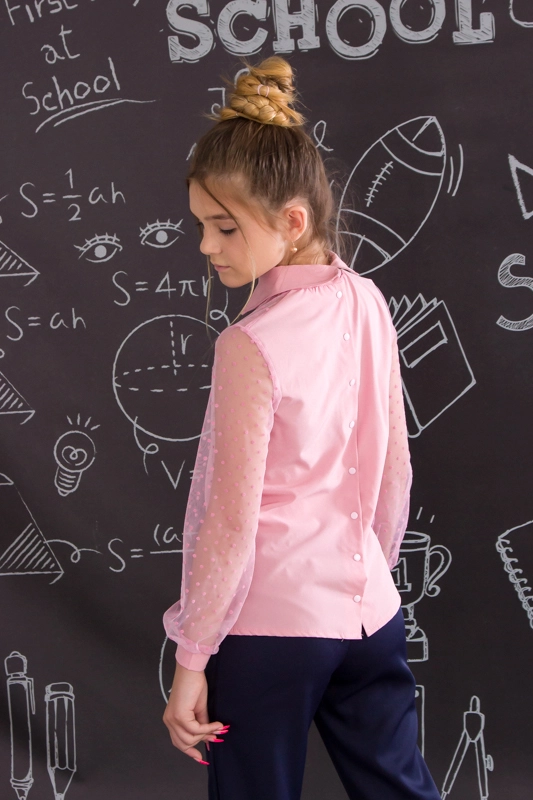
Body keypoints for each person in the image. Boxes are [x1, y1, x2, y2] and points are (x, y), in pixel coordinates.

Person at [162, 56, 441, 800]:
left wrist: (191, 658)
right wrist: (366, 571)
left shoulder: (247, 343)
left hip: (270, 629)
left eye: (224, 227)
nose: (206, 246)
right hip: (369, 613)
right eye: (201, 226)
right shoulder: (369, 300)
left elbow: (229, 519)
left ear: (292, 221)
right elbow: (395, 467)